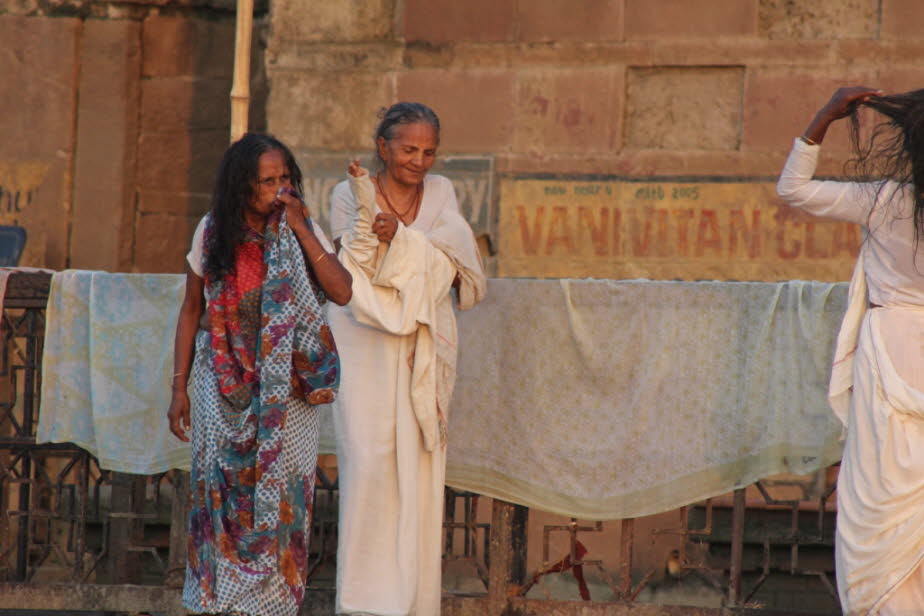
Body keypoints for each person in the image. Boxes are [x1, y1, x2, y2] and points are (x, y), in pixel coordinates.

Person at [166, 132, 352, 616]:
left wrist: (302, 228)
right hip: (219, 384)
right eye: (266, 181)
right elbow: (191, 310)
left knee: (284, 497)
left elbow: (342, 291)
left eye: (284, 178)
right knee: (216, 493)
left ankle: (271, 608)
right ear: (241, 188)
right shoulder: (211, 232)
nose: (278, 188)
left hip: (286, 392)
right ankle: (216, 604)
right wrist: (178, 387)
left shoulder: (300, 226)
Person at [327, 102, 486, 615]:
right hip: (364, 343)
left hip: (421, 342)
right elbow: (352, 269)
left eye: (430, 151)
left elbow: (454, 259)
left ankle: (413, 603)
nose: (420, 161)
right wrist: (404, 250)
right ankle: (365, 603)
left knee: (418, 470)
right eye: (409, 149)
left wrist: (405, 243)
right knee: (367, 465)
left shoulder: (441, 193)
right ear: (383, 147)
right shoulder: (346, 195)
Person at [777, 86, 924, 615]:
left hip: (887, 353)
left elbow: (793, 187)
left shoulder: (882, 199)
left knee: (878, 504)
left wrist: (825, 117)